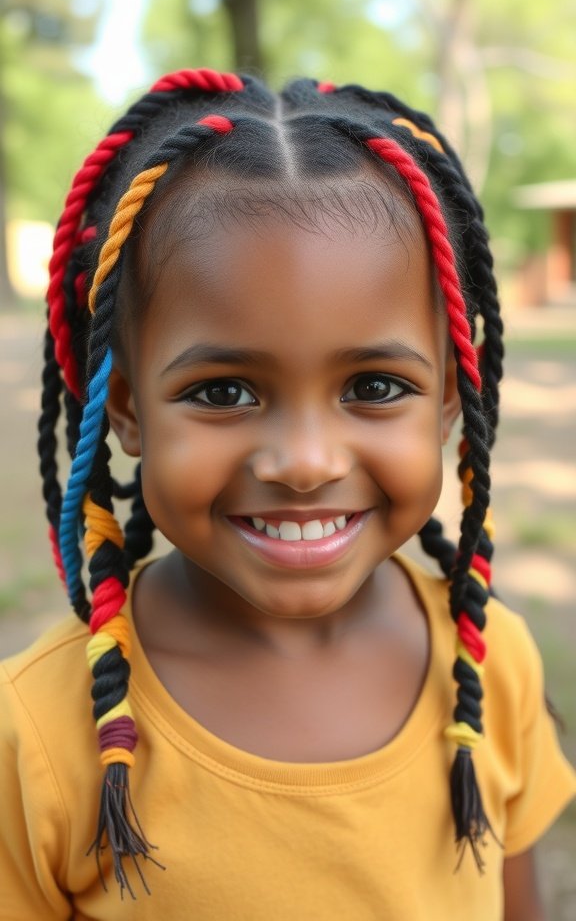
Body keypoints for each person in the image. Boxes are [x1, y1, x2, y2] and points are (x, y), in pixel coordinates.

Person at [1, 68, 574, 921]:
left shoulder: (488, 663)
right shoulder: (38, 735)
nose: (304, 464)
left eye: (375, 387)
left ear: (452, 397)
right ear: (122, 409)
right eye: (224, 392)